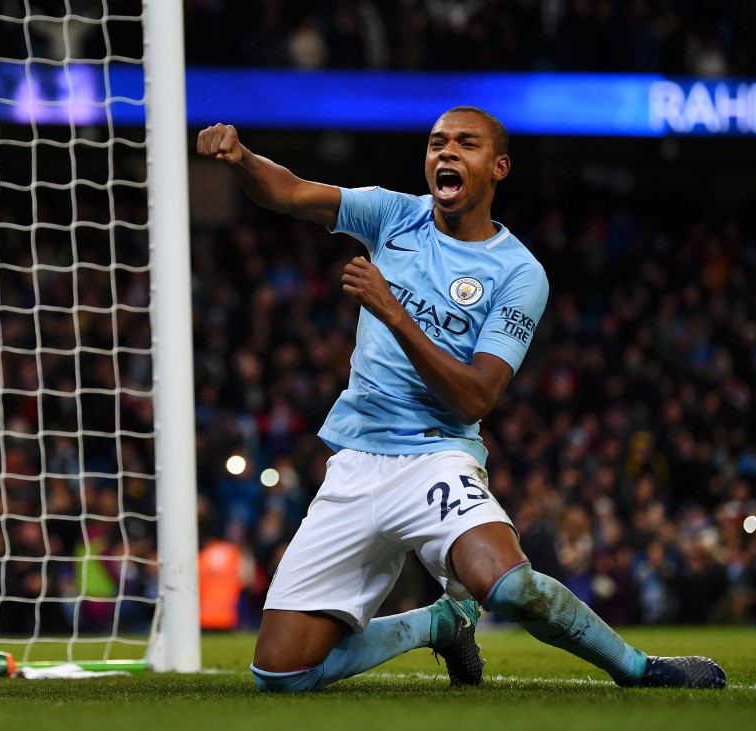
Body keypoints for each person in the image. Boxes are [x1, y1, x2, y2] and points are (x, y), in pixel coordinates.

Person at [196, 107, 726, 692]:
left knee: (509, 587)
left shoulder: (519, 273)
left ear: (498, 167)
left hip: (435, 456)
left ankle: (638, 669)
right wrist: (242, 159)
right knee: (281, 674)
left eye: (465, 144)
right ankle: (441, 623)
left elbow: (477, 396)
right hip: (355, 461)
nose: (445, 153)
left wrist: (393, 311)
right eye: (436, 143)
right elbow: (291, 192)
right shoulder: (393, 215)